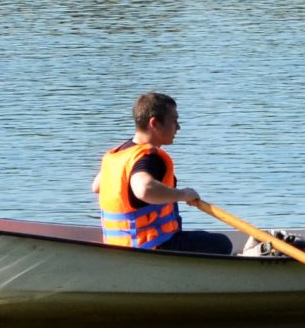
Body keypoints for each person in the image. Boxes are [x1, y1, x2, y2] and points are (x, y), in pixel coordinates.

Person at [96, 92, 233, 254]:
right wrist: (183, 194)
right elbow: (144, 189)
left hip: (119, 245)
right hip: (153, 247)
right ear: (154, 123)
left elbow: (96, 186)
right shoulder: (148, 158)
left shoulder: (120, 153)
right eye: (174, 120)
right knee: (223, 244)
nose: (178, 127)